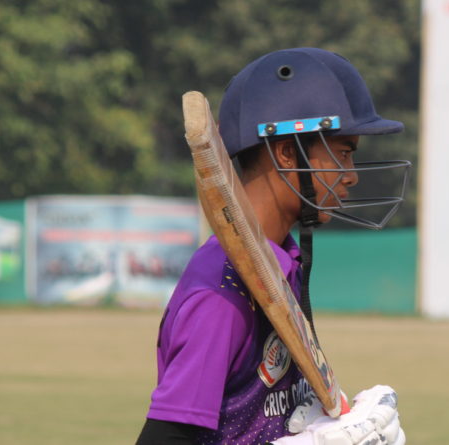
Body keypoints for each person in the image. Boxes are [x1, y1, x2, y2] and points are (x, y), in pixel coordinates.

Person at [136, 48, 409, 445]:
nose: (351, 176)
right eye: (344, 153)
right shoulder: (221, 297)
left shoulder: (282, 263)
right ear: (285, 152)